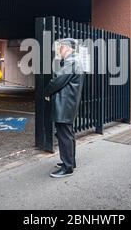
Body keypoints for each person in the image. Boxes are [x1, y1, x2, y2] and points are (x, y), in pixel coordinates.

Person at [44, 38, 85, 178]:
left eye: (60, 47)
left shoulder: (71, 62)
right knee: (68, 134)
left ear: (67, 48)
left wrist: (46, 92)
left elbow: (57, 80)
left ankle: (67, 167)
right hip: (69, 104)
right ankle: (70, 162)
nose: (58, 50)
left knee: (64, 136)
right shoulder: (75, 61)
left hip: (65, 105)